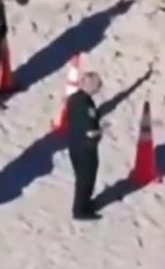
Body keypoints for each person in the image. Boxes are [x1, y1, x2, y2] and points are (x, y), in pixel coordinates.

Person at [67, 71, 104, 220]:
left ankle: (83, 204)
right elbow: (90, 131)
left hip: (74, 144)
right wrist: (101, 131)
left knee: (81, 178)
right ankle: (80, 210)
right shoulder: (88, 104)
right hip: (86, 148)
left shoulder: (73, 99)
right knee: (86, 179)